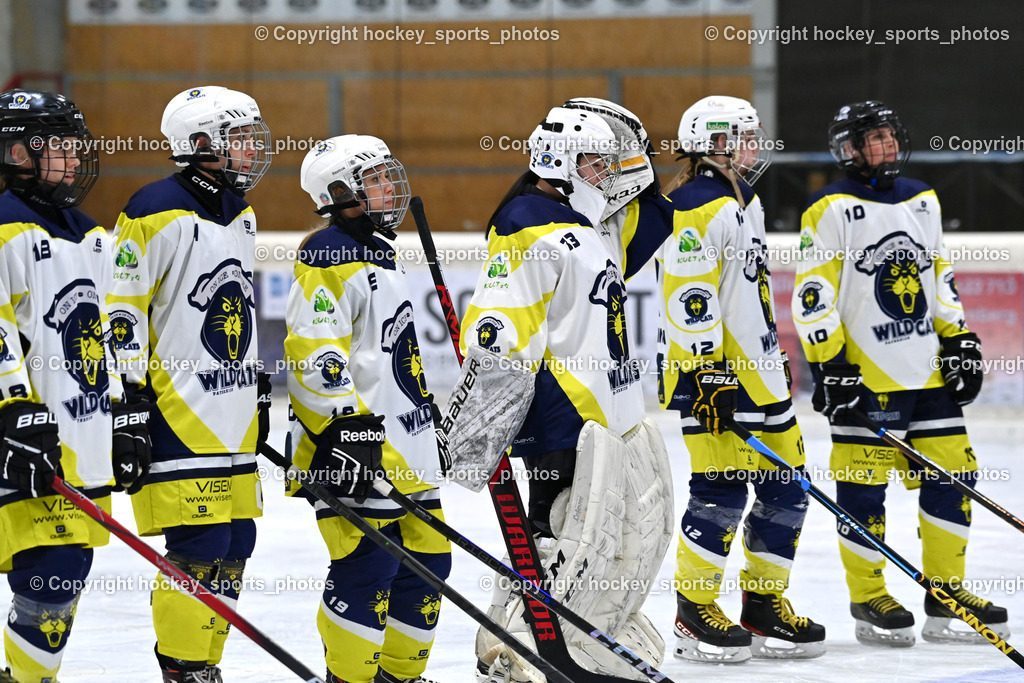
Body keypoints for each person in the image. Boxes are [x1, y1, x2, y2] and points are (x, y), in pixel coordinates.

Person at [446, 104, 674, 683]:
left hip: (609, 413)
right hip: (565, 419)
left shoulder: (589, 229)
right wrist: (479, 430)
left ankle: (520, 639)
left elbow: (657, 218)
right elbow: (498, 334)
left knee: (601, 539)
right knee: (562, 539)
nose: (608, 175)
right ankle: (524, 650)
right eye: (596, 163)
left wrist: (635, 148)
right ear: (561, 164)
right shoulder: (528, 221)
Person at [791, 100, 1008, 647]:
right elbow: (813, 294)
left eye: (889, 136)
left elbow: (939, 272)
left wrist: (958, 336)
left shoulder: (923, 197)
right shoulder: (829, 207)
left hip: (927, 377)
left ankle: (947, 593)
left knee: (954, 479)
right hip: (866, 381)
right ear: (849, 148)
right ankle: (869, 596)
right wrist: (830, 365)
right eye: (874, 138)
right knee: (863, 490)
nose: (885, 146)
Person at [107, 86, 272, 682]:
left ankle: (207, 665)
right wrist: (129, 400)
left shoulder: (241, 212)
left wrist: (254, 385)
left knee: (236, 546)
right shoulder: (152, 209)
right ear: (199, 144)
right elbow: (121, 309)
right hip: (174, 414)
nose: (253, 148)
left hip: (231, 413)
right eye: (239, 136)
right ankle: (181, 669)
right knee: (198, 548)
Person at [656, 95, 825, 663]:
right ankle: (692, 612)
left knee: (786, 490)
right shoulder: (694, 205)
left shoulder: (742, 200)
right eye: (743, 138)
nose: (755, 148)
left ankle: (763, 604)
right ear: (713, 144)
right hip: (715, 380)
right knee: (720, 495)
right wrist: (706, 373)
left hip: (763, 378)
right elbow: (690, 297)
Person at [284, 135, 451, 683]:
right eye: (374, 178)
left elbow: (393, 360)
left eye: (387, 175)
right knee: (367, 565)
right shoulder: (326, 253)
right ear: (339, 193)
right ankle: (350, 678)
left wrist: (428, 420)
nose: (389, 188)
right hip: (354, 450)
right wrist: (343, 429)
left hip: (405, 446)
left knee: (430, 561)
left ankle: (399, 676)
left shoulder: (381, 253)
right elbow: (315, 351)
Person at [0, 90, 148, 682]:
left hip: (78, 439)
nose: (71, 157)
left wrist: (127, 404)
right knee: (50, 561)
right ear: (17, 152)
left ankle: (27, 674)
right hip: (22, 432)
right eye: (55, 146)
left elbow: (104, 330)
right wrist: (13, 407)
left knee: (65, 565)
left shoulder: (93, 235)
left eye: (71, 145)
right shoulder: (5, 227)